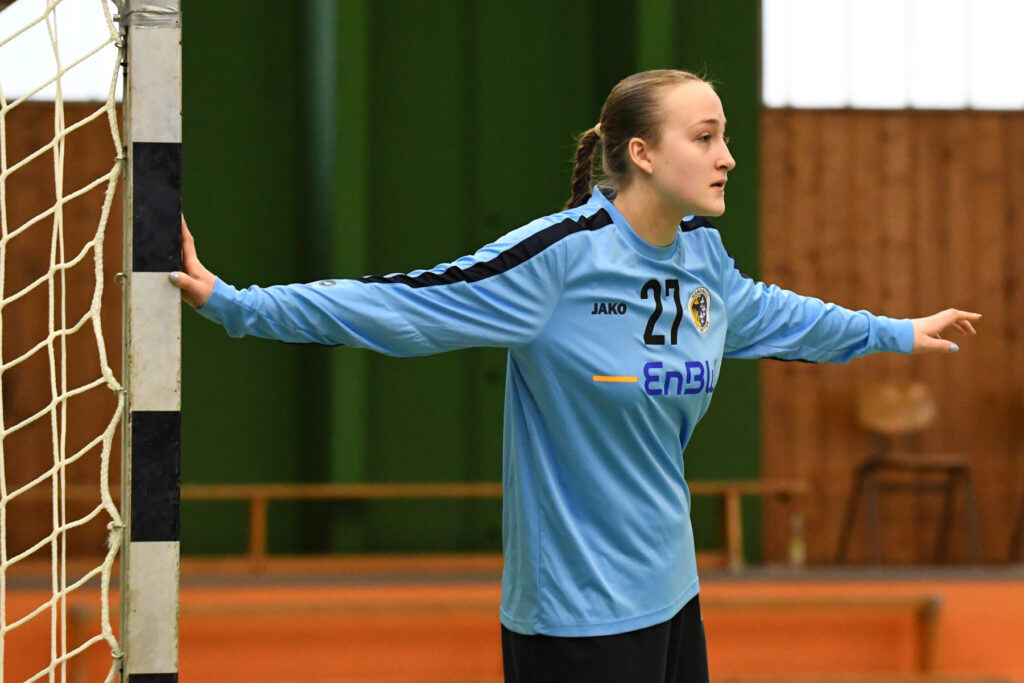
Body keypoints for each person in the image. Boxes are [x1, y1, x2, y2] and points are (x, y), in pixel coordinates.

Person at [170, 69, 980, 683]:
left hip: (672, 594)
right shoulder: (559, 259)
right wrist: (238, 304)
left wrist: (896, 331)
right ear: (642, 153)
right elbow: (403, 304)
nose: (727, 156)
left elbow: (777, 315)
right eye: (705, 137)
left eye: (725, 136)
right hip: (575, 617)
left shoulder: (702, 257)